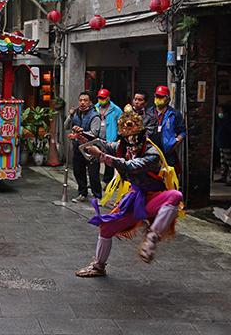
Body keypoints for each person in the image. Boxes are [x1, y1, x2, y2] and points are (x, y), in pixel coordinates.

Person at [74, 105, 183, 277]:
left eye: (134, 138)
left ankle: (152, 237)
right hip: (135, 199)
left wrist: (101, 156)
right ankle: (98, 266)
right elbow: (105, 144)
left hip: (154, 198)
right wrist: (84, 136)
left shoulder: (152, 153)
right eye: (126, 139)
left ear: (142, 135)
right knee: (106, 228)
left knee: (176, 196)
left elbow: (130, 166)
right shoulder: (124, 146)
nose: (130, 143)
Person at [65, 91, 102, 203]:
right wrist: (70, 115)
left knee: (93, 174)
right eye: (81, 100)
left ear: (90, 102)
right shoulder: (75, 113)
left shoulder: (94, 116)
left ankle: (97, 196)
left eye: (85, 100)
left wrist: (81, 133)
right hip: (77, 148)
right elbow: (66, 126)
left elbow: (94, 133)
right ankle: (82, 193)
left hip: (91, 149)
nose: (82, 103)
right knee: (78, 172)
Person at [147, 85, 186, 173]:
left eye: (161, 97)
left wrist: (175, 142)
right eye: (157, 96)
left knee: (168, 177)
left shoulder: (174, 114)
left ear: (167, 98)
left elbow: (182, 132)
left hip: (168, 153)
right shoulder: (148, 113)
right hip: (150, 152)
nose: (158, 99)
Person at [95, 88, 122, 184]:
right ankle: (95, 181)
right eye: (99, 98)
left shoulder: (116, 110)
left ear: (108, 98)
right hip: (97, 137)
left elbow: (120, 125)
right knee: (95, 160)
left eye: (103, 98)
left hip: (110, 139)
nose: (101, 100)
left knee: (108, 160)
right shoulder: (95, 108)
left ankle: (107, 181)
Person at [214, 103, 231, 185]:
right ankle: (223, 176)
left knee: (229, 161)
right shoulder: (221, 120)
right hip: (221, 143)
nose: (218, 112)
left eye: (220, 110)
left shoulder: (227, 120)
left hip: (227, 143)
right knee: (223, 162)